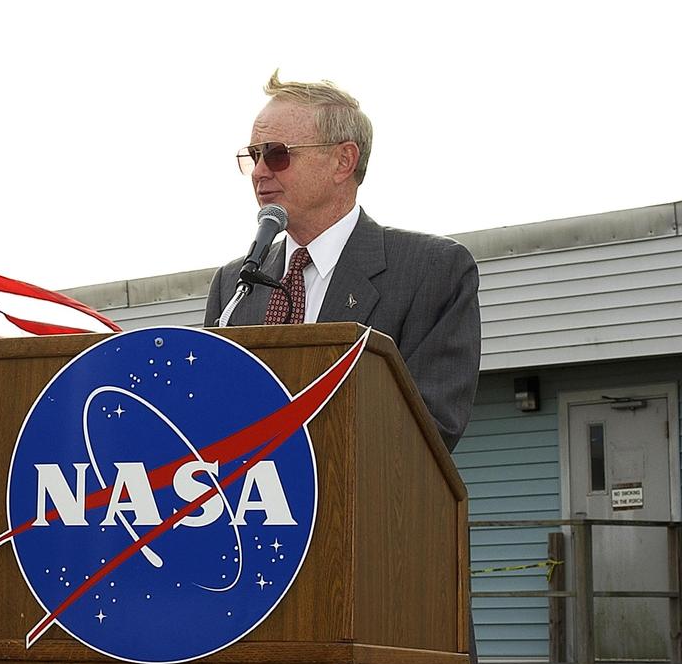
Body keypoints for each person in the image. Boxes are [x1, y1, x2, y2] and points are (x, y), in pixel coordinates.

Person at [204, 71, 481, 453]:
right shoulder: (235, 284)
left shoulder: (430, 269)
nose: (260, 171)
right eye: (253, 156)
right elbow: (205, 418)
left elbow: (433, 427)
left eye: (276, 154)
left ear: (343, 160)